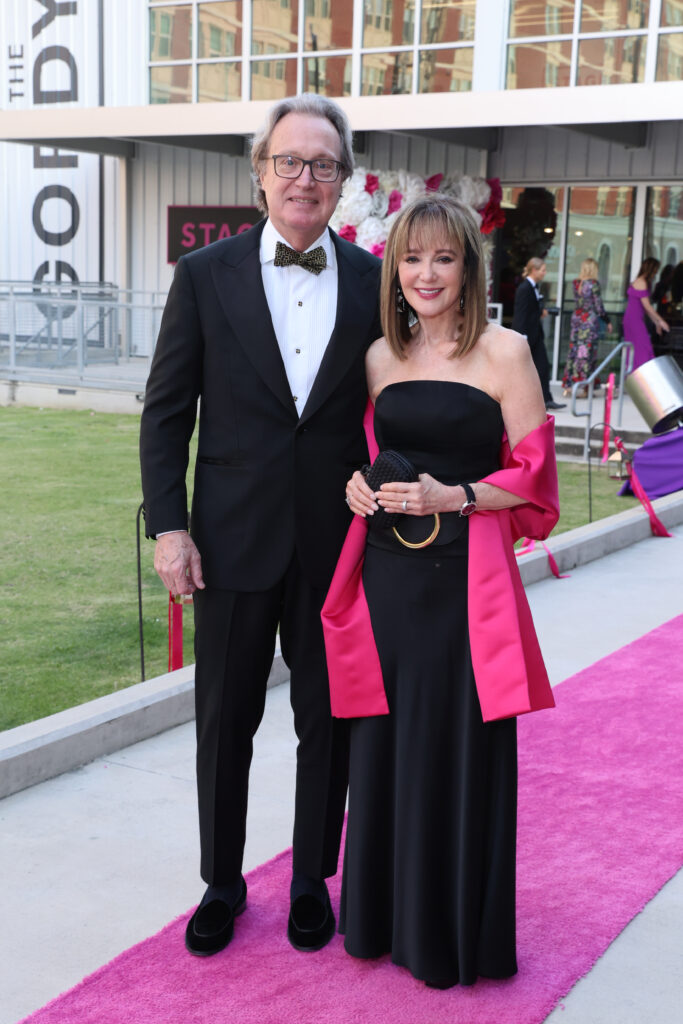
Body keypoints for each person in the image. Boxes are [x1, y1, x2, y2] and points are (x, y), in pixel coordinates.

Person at [139, 94, 382, 957]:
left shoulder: (372, 281)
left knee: (328, 722)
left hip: (338, 545)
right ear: (260, 173)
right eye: (289, 161)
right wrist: (170, 528)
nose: (304, 178)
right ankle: (220, 882)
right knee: (224, 723)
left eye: (322, 163)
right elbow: (166, 413)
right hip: (230, 544)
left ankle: (314, 878)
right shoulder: (205, 276)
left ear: (343, 181)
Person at [321, 195, 559, 988]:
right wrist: (360, 487)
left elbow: (532, 483)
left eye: (443, 259)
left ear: (467, 266)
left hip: (464, 586)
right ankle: (383, 918)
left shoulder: (505, 352)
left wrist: (451, 495)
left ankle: (450, 932)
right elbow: (376, 458)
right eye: (411, 259)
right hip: (388, 583)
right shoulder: (378, 357)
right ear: (394, 269)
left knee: (452, 745)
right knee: (384, 747)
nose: (426, 274)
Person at [512, 257, 565, 410]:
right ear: (534, 270)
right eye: (543, 270)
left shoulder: (534, 287)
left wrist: (541, 312)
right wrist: (522, 337)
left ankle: (546, 399)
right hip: (527, 335)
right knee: (526, 369)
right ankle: (528, 400)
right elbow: (521, 314)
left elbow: (531, 311)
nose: (544, 273)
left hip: (535, 334)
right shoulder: (525, 288)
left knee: (542, 367)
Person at [562, 257, 612, 396]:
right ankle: (584, 387)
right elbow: (598, 306)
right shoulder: (593, 284)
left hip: (577, 319)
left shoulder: (576, 283)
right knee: (587, 353)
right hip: (588, 322)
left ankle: (570, 385)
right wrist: (607, 321)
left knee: (574, 351)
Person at [623, 257, 669, 370]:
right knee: (643, 348)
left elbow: (646, 309)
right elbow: (648, 307)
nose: (656, 273)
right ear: (651, 269)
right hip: (634, 321)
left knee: (637, 349)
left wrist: (657, 323)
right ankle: (641, 376)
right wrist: (661, 321)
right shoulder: (642, 282)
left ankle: (635, 376)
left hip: (633, 320)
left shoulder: (640, 281)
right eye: (655, 270)